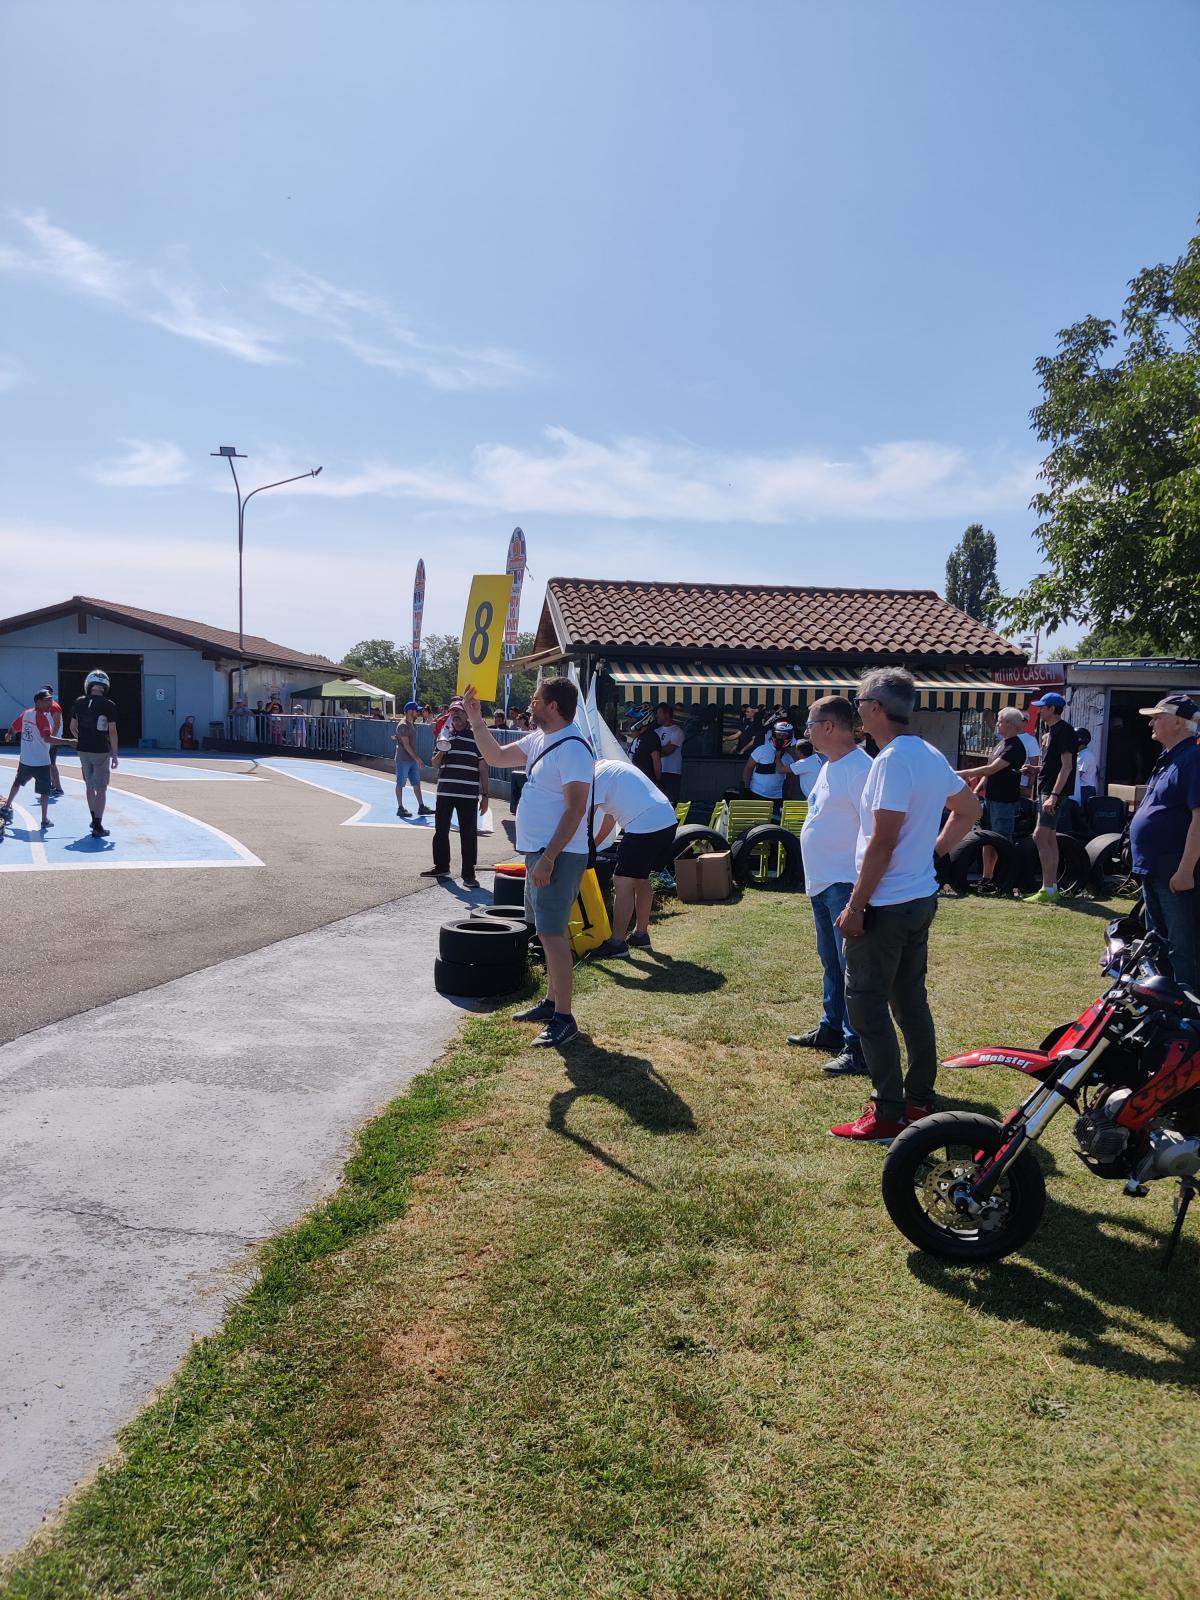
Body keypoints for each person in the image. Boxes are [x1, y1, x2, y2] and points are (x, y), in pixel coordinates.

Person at [829, 669, 981, 1143]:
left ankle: (889, 1111)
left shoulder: (892, 760)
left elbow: (883, 841)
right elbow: (970, 810)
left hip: (886, 904)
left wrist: (856, 905)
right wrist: (933, 852)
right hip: (917, 897)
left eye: (858, 702)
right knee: (911, 1002)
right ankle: (918, 1100)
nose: (856, 709)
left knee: (866, 1005)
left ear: (875, 707)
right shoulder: (928, 753)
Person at [461, 677, 593, 1048]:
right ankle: (552, 1003)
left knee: (552, 934)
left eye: (535, 699)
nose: (530, 704)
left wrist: (549, 858)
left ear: (553, 706)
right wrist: (476, 720)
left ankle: (565, 1018)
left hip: (558, 854)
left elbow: (576, 809)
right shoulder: (539, 739)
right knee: (545, 930)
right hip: (540, 853)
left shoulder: (573, 748)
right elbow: (496, 757)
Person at [786, 697, 873, 1074]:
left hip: (845, 883)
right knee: (832, 962)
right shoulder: (830, 766)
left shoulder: (861, 769)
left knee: (851, 966)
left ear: (829, 726)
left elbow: (875, 832)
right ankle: (832, 1028)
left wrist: (861, 895)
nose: (805, 733)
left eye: (809, 725)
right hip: (823, 882)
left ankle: (858, 1046)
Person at [1129, 693, 1200, 993]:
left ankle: (1189, 1005)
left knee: (1183, 944)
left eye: (1158, 717)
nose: (1151, 723)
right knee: (1158, 941)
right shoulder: (1169, 756)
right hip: (1155, 867)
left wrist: (1186, 870)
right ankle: (1163, 1000)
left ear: (1178, 722)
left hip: (1174, 868)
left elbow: (1199, 818)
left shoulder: (1193, 757)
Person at [588, 758, 678, 957]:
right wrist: (593, 844)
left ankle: (617, 943)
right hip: (666, 820)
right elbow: (610, 816)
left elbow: (585, 818)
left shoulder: (594, 778)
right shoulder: (611, 768)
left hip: (644, 826)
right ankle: (641, 935)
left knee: (622, 881)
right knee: (640, 879)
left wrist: (580, 845)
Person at [954, 705, 1026, 894]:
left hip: (1004, 802)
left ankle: (1005, 880)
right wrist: (977, 790)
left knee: (1002, 841)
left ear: (1010, 724)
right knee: (987, 839)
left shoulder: (1014, 747)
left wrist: (962, 772)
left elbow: (992, 769)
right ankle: (987, 877)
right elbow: (988, 773)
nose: (997, 725)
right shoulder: (1000, 744)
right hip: (990, 799)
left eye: (1000, 721)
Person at [421, 700, 487, 886]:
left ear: (467, 714)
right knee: (440, 831)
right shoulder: (444, 735)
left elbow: (483, 767)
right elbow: (435, 763)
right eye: (452, 712)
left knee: (468, 834)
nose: (455, 715)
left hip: (468, 794)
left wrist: (485, 796)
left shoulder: (476, 736)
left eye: (459, 711)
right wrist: (443, 749)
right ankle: (441, 866)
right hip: (445, 792)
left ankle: (469, 875)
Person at [1024, 692, 1077, 905]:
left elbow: (1067, 766)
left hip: (1052, 793)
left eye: (1042, 707)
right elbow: (1054, 765)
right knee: (1049, 838)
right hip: (1047, 790)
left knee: (1039, 836)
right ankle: (1052, 888)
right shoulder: (1053, 731)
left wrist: (1053, 796)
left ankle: (1047, 888)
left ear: (1052, 709)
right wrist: (1035, 769)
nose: (1039, 711)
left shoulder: (1063, 731)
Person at [1, 689, 77, 832]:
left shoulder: (26, 714)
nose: (50, 703)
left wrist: (9, 734)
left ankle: (6, 807)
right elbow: (47, 739)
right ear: (38, 702)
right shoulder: (41, 718)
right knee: (44, 792)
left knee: (17, 783)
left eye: (51, 700)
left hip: (26, 760)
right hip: (41, 762)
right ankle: (44, 819)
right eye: (47, 700)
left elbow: (14, 726)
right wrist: (69, 741)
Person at [69, 669, 120, 837]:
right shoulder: (109, 704)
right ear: (105, 686)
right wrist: (114, 753)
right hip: (100, 750)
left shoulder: (79, 702)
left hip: (83, 750)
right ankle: (98, 825)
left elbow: (72, 727)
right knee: (101, 789)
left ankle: (92, 818)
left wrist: (82, 738)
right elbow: (112, 731)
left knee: (89, 786)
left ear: (88, 684)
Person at [394, 699, 433, 818]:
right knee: (400, 783)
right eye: (416, 710)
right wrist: (418, 759)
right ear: (410, 711)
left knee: (416, 783)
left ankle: (421, 806)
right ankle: (400, 807)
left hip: (411, 759)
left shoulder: (410, 724)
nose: (418, 713)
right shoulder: (403, 725)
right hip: (403, 759)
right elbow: (406, 745)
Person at [743, 718, 796, 803]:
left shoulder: (789, 757)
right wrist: (746, 787)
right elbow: (748, 768)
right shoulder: (761, 750)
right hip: (756, 792)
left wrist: (789, 794)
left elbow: (791, 778)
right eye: (778, 735)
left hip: (777, 796)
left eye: (784, 735)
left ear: (789, 736)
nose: (780, 738)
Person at [654, 704, 684, 805]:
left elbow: (668, 751)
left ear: (667, 714)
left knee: (671, 801)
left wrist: (655, 751)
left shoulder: (677, 731)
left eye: (659, 713)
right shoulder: (656, 732)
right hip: (657, 771)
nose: (657, 716)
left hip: (672, 772)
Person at [628, 717, 663, 788]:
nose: (631, 722)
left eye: (634, 719)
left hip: (647, 781)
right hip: (636, 778)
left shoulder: (651, 736)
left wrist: (658, 780)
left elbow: (656, 760)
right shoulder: (639, 737)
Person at [43, 687, 65, 797]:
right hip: (48, 739)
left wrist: (52, 738)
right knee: (47, 764)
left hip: (53, 740)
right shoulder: (46, 707)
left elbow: (57, 724)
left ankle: (59, 788)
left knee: (52, 764)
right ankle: (52, 784)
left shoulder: (54, 707)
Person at [1073, 729, 1098, 807]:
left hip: (1084, 789)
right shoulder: (1082, 754)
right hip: (1084, 788)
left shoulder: (1084, 755)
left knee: (1080, 811)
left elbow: (1078, 775)